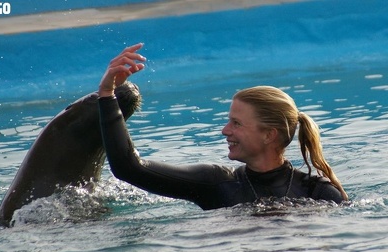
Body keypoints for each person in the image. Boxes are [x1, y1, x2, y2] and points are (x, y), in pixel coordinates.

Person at [97, 43, 348, 210]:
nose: (224, 130)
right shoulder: (216, 184)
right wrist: (107, 93)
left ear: (269, 135)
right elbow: (130, 168)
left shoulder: (320, 193)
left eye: (236, 123)